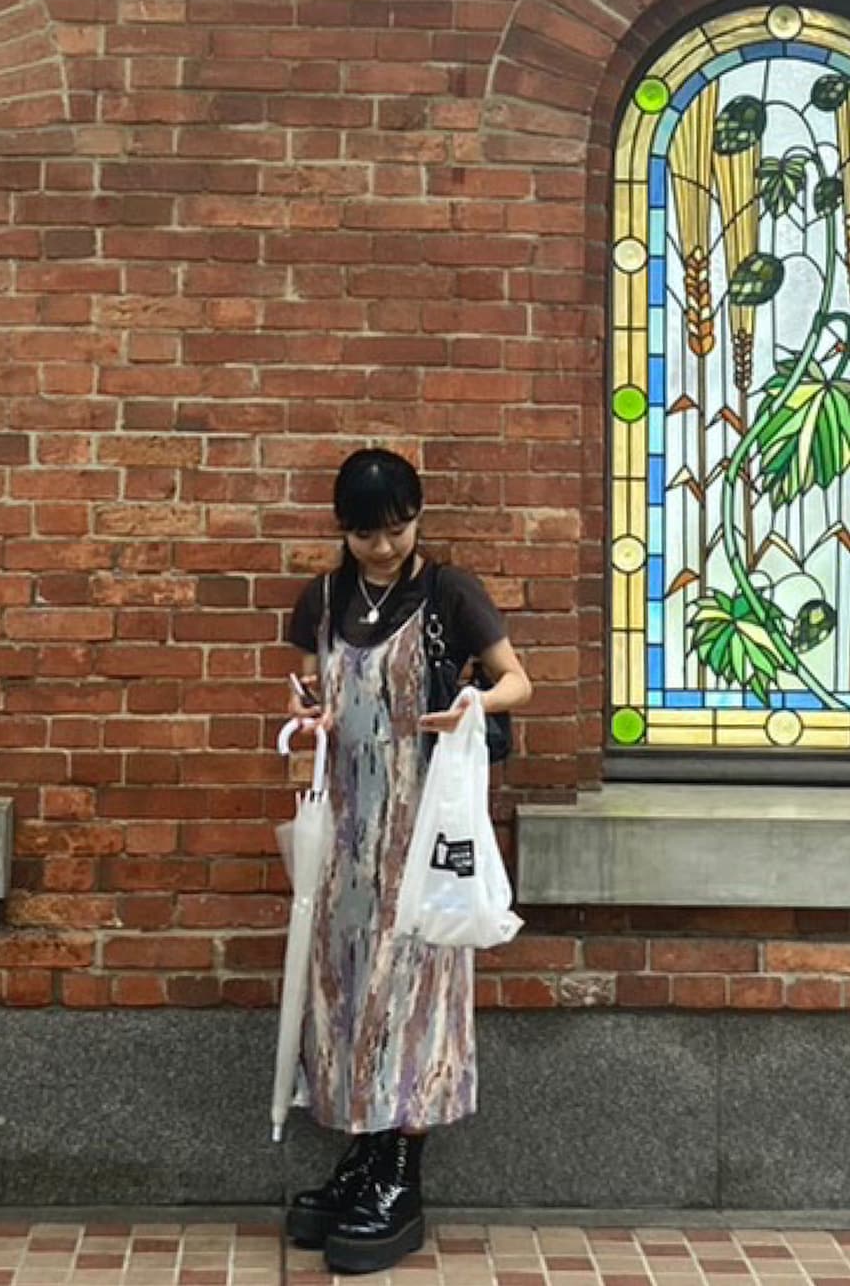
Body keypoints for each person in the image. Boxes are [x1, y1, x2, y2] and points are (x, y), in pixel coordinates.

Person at [282, 447, 533, 1276]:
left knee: (415, 998)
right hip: (344, 832)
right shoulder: (322, 600)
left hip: (422, 830)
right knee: (347, 993)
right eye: (366, 534)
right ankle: (362, 1156)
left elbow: (517, 682)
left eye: (397, 529)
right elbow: (309, 689)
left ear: (417, 519)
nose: (383, 547)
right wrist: (307, 711)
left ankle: (401, 1171)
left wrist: (472, 702)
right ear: (343, 530)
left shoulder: (447, 593)